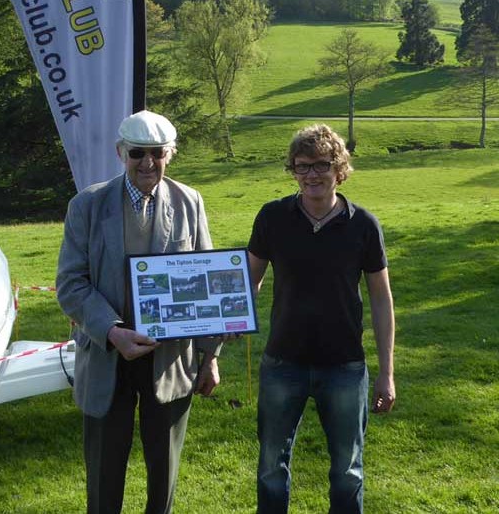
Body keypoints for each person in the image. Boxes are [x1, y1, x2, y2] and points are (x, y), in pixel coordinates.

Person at [56, 109, 222, 514]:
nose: (148, 163)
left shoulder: (190, 201)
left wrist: (210, 356)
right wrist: (113, 331)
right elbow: (70, 285)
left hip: (169, 360)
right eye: (137, 153)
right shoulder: (87, 205)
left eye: (157, 153)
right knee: (103, 475)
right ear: (120, 152)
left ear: (171, 154)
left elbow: (206, 285)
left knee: (163, 474)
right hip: (107, 355)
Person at [247, 124, 395, 514]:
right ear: (292, 170)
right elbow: (249, 281)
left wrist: (386, 373)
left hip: (344, 366)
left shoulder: (363, 224)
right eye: (302, 166)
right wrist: (229, 321)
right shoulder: (273, 217)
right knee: (269, 469)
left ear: (339, 169)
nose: (312, 174)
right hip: (282, 362)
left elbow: (381, 298)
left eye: (321, 165)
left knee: (348, 471)